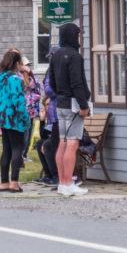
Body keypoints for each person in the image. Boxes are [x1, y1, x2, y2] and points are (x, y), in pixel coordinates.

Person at [48, 23, 90, 196]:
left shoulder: (55, 55)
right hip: (74, 104)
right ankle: (67, 183)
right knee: (72, 143)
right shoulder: (75, 56)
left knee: (63, 142)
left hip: (60, 103)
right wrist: (83, 105)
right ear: (73, 35)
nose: (79, 38)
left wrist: (60, 94)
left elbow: (51, 82)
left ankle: (61, 182)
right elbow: (77, 82)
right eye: (78, 35)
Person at [0, 50, 29, 192]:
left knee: (6, 149)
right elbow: (18, 101)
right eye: (20, 63)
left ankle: (3, 182)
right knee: (17, 149)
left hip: (2, 118)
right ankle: (14, 182)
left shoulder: (0, 78)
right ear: (16, 64)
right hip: (15, 119)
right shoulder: (15, 80)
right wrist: (25, 118)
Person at [36, 46, 60, 186]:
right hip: (53, 123)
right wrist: (42, 119)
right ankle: (49, 175)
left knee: (49, 145)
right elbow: (44, 133)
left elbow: (50, 89)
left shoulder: (58, 72)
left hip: (62, 121)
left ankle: (57, 176)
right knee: (41, 143)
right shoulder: (49, 72)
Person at [20, 56, 41, 162]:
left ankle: (25, 154)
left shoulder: (32, 77)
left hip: (31, 110)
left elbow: (38, 87)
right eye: (26, 65)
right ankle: (21, 154)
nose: (28, 67)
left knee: (29, 134)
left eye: (29, 65)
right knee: (24, 133)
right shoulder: (19, 77)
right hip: (23, 110)